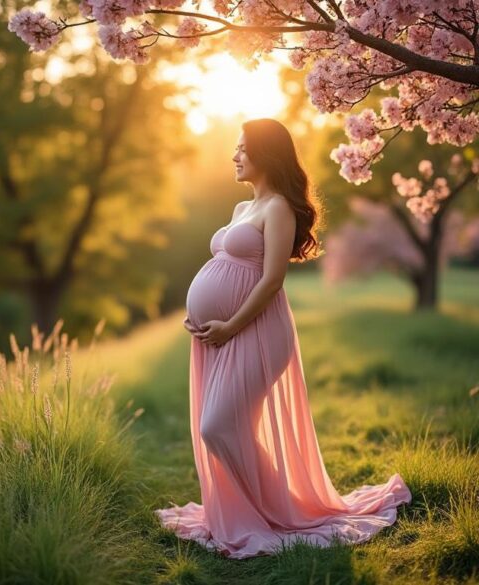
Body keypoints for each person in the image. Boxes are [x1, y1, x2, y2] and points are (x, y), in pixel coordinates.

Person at [154, 118, 411, 559]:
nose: (234, 156)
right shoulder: (241, 210)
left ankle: (282, 511)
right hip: (221, 335)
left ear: (265, 154)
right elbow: (226, 271)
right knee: (228, 428)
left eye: (242, 148)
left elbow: (272, 278)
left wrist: (230, 323)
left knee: (216, 426)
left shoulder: (279, 209)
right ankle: (261, 508)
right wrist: (198, 317)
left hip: (257, 333)